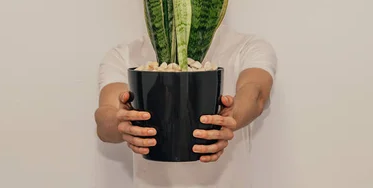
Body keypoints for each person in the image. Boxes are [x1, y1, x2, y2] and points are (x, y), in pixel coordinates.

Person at [94, 24, 277, 187]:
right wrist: (123, 123)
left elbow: (256, 95)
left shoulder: (247, 47)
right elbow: (105, 119)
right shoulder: (124, 55)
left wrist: (230, 118)